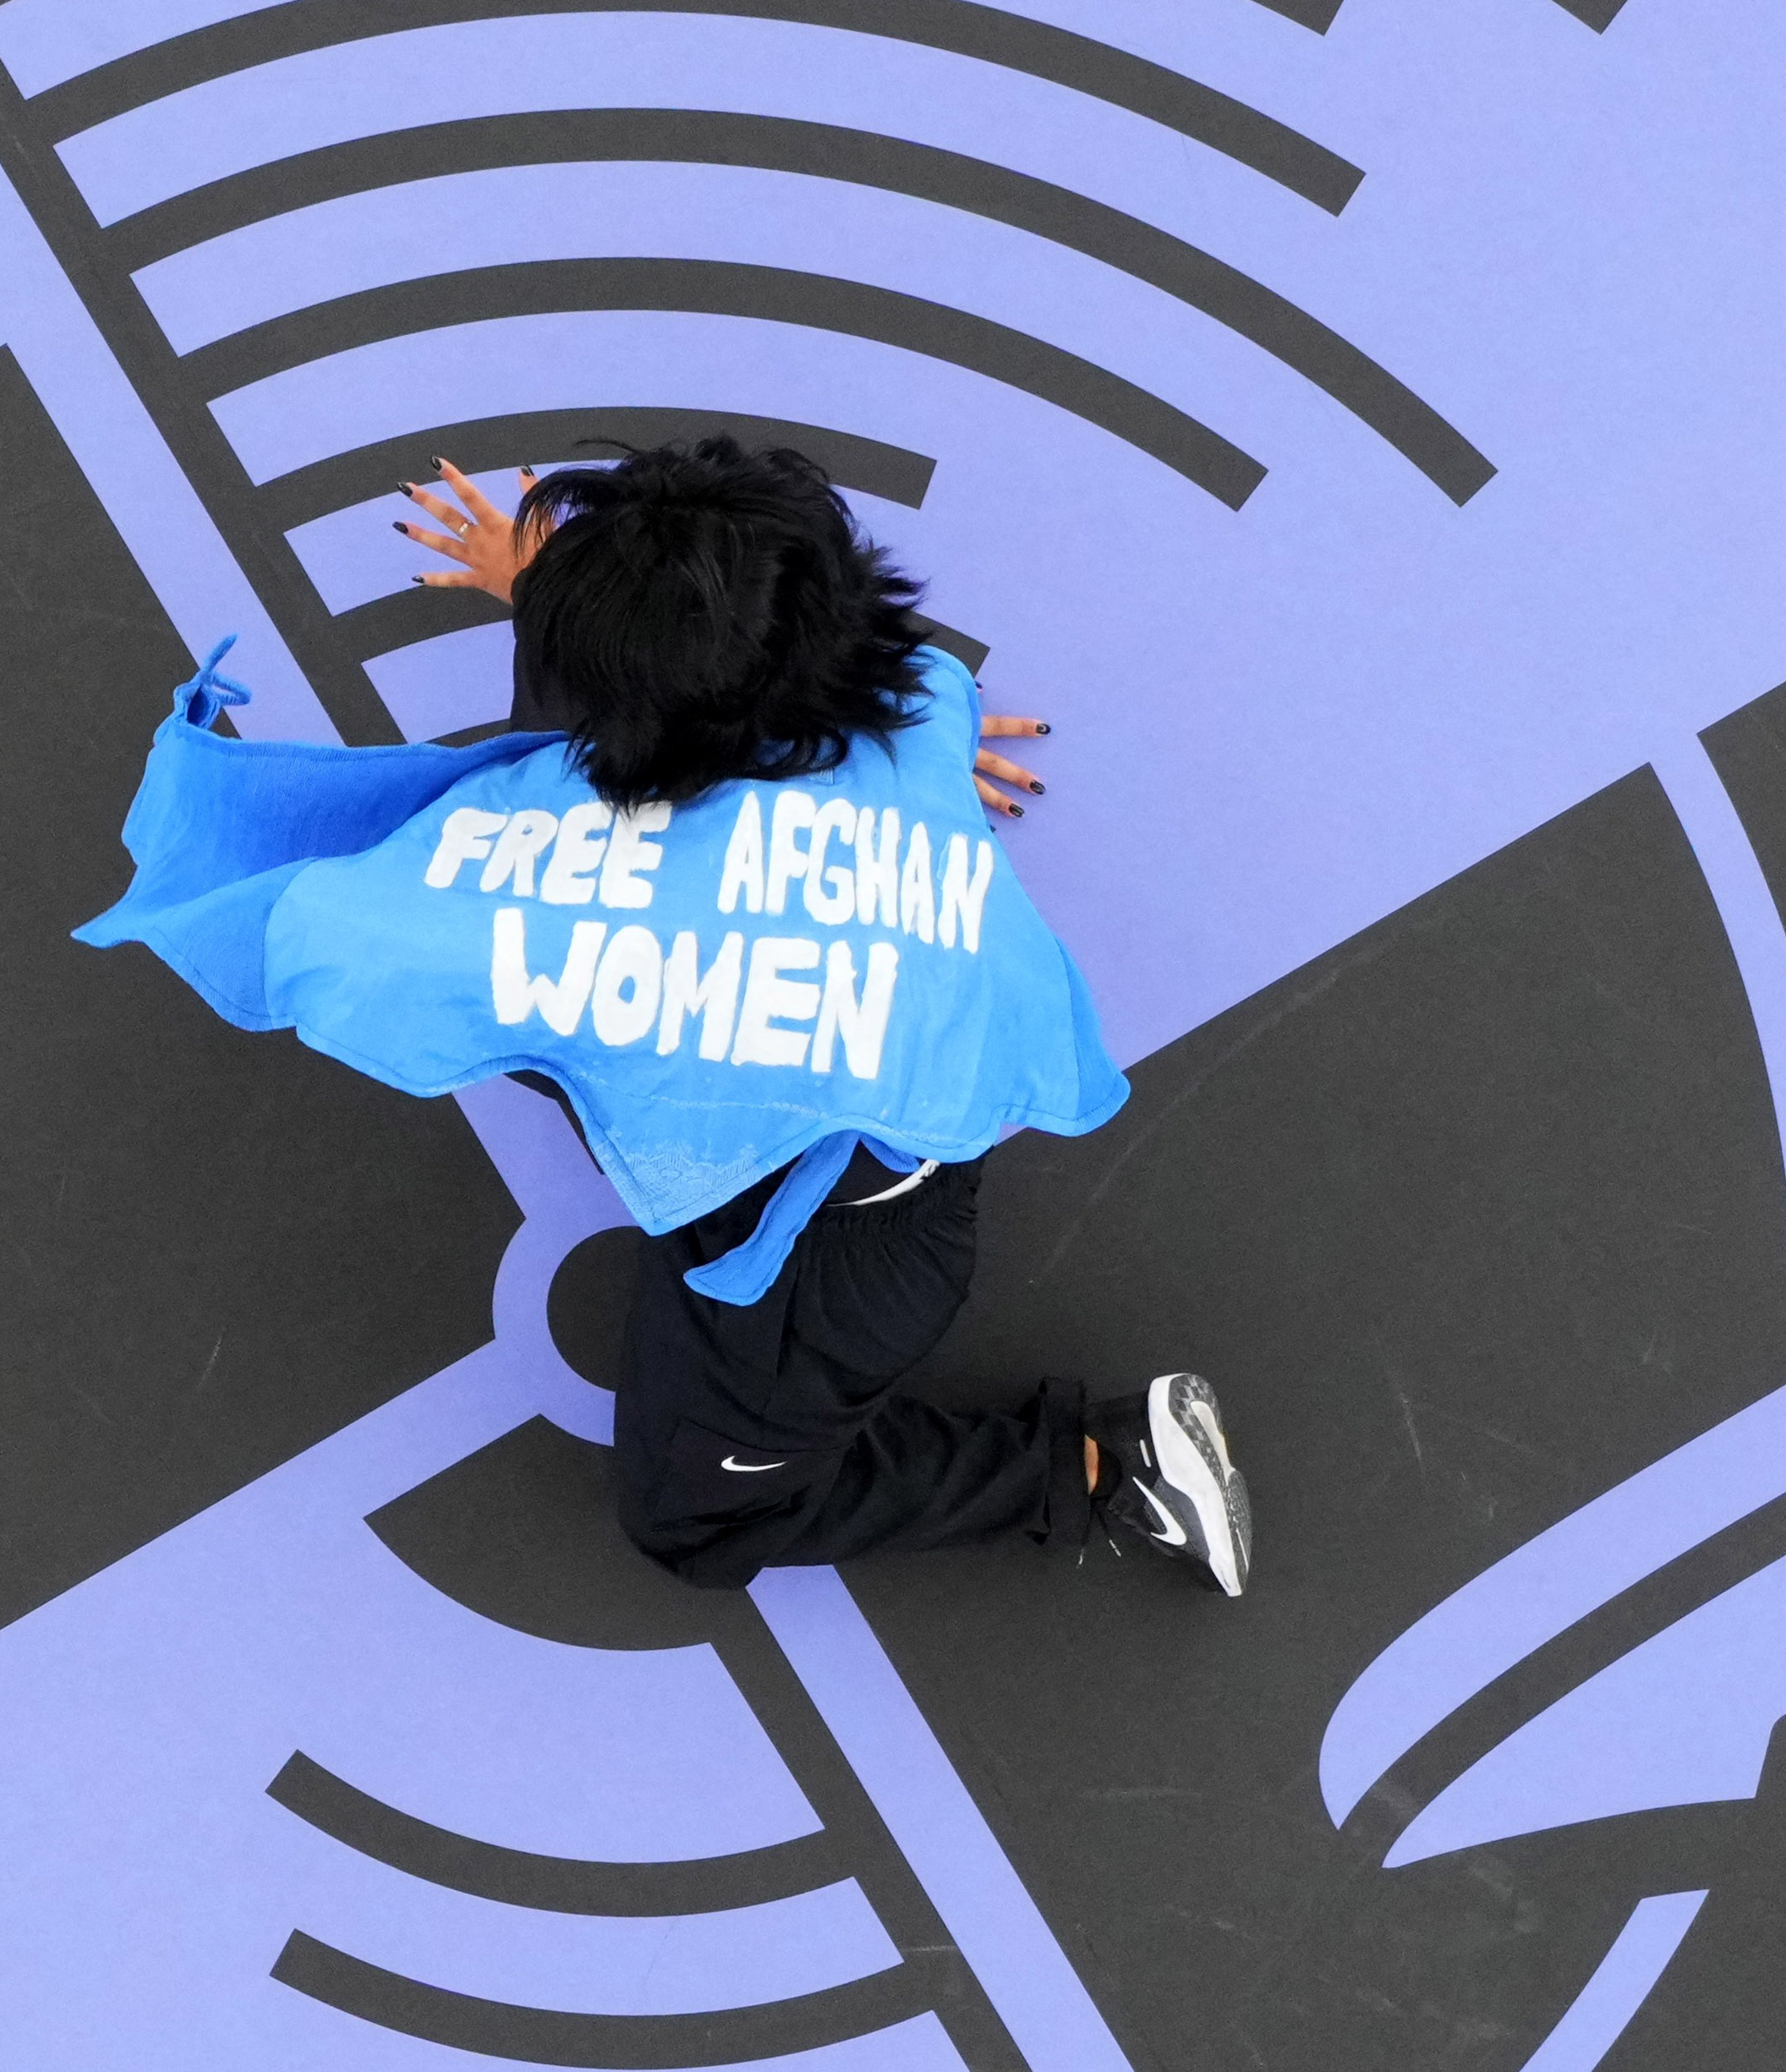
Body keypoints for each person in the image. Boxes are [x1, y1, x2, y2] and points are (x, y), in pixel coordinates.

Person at [394, 438, 1251, 1598]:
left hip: (816, 1263)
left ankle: (1106, 1463)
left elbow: (525, 959)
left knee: (693, 1522)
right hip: (817, 1105)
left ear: (644, 732)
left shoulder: (618, 905)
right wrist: (921, 759)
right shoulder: (909, 702)